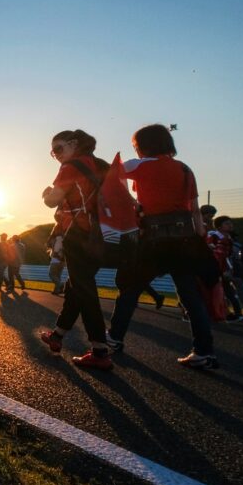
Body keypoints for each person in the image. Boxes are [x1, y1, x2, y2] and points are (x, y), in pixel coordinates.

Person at [105, 124, 219, 368]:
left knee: (130, 290)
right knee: (189, 295)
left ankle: (114, 338)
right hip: (185, 239)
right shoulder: (185, 169)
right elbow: (195, 210)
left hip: (152, 239)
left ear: (142, 145)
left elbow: (110, 179)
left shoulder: (140, 164)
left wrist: (130, 207)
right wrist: (200, 240)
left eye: (135, 146)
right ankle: (204, 351)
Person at [39, 129, 112, 370]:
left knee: (85, 290)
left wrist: (47, 194)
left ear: (73, 144)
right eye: (52, 152)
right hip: (103, 234)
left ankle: (100, 350)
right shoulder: (100, 164)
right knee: (77, 287)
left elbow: (52, 200)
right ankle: (57, 336)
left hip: (78, 234)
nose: (56, 155)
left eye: (58, 148)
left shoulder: (70, 167)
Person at [214, 216, 243, 319]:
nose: (231, 225)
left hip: (229, 269)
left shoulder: (231, 239)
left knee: (228, 290)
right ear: (219, 227)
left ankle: (239, 312)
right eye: (227, 223)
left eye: (231, 223)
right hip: (223, 269)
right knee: (229, 290)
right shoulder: (215, 237)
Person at [46, 214, 66, 295]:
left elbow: (56, 248)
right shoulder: (65, 234)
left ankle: (61, 285)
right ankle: (56, 290)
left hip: (56, 258)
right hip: (63, 260)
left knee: (51, 274)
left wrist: (56, 254)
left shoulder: (58, 238)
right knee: (57, 275)